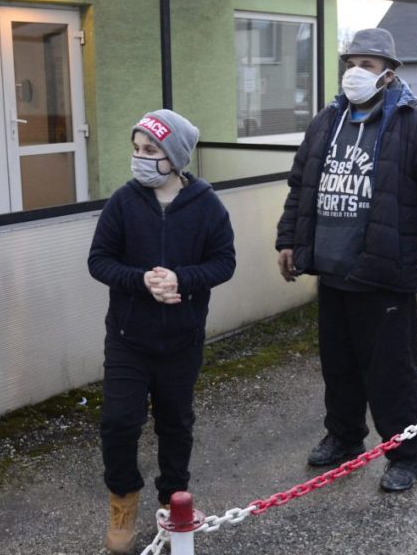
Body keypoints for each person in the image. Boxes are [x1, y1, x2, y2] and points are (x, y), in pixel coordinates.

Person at [275, 28, 417, 492]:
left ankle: (405, 455)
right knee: (338, 366)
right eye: (351, 63)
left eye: (368, 64)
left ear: (389, 72)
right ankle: (344, 437)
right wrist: (289, 241)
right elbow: (301, 184)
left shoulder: (414, 122)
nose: (356, 73)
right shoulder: (327, 120)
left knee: (391, 375)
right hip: (332, 267)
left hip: (383, 272)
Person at [87, 109, 236, 553]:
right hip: (128, 339)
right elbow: (99, 260)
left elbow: (224, 262)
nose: (140, 158)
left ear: (174, 157)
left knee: (176, 423)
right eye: (136, 149)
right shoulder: (124, 201)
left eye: (150, 150)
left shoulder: (207, 205)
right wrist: (141, 280)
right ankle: (122, 501)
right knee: (119, 422)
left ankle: (176, 507)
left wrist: (182, 279)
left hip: (181, 341)